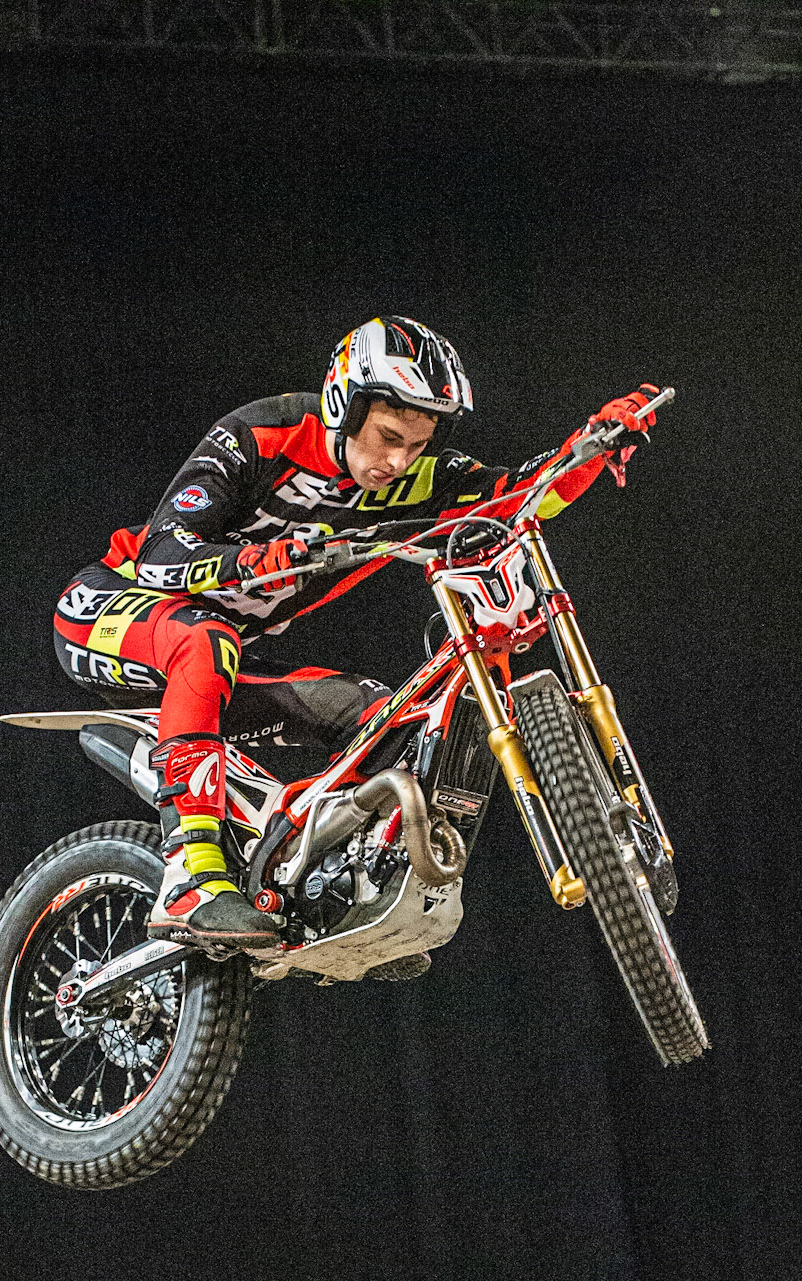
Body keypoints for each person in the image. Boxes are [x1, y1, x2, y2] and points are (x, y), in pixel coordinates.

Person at [53, 317, 659, 949]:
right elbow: (160, 553)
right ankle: (189, 876)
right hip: (107, 610)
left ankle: (330, 884)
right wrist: (254, 559)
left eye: (416, 445)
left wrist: (593, 443)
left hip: (215, 657)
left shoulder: (414, 476)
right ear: (346, 405)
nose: (398, 461)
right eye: (388, 436)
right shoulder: (261, 434)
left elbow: (517, 496)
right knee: (206, 639)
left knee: (376, 714)